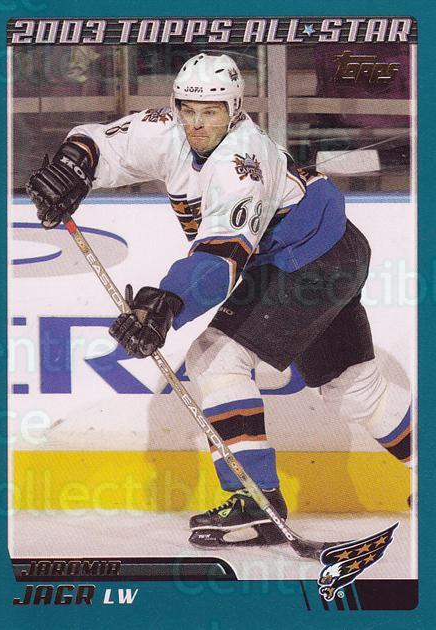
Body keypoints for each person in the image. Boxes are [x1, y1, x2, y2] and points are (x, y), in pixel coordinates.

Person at [26, 53, 412, 548]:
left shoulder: (242, 163)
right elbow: (101, 143)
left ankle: (256, 502)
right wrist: (73, 163)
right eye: (188, 110)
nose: (196, 123)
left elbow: (220, 260)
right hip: (332, 248)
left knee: (214, 358)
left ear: (234, 109)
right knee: (356, 389)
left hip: (309, 263)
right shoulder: (165, 128)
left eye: (210, 112)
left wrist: (167, 303)